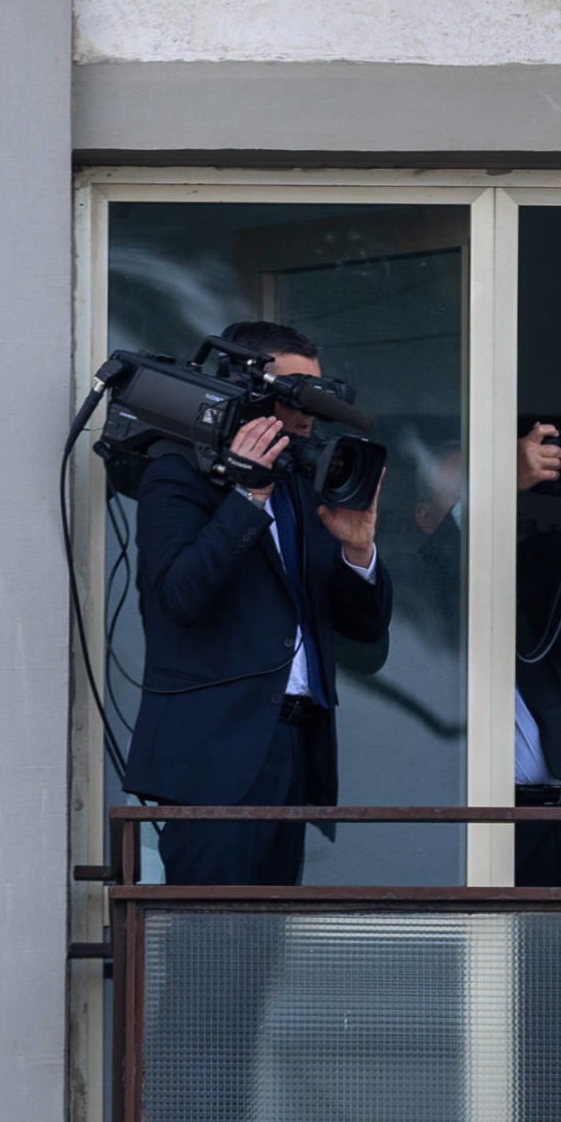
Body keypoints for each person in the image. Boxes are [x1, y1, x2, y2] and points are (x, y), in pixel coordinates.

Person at [120, 319, 394, 886]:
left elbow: (366, 630)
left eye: (318, 395)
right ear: (246, 389)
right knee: (209, 929)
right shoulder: (177, 474)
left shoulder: (306, 488)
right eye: (295, 393)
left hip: (293, 743)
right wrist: (247, 494)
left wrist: (358, 551)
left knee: (267, 929)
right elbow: (179, 597)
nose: (308, 412)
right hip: (212, 754)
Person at [399, 423, 561, 886]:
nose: (486, 497)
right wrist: (499, 482)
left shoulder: (542, 563)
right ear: (425, 516)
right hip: (477, 826)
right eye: (464, 492)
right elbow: (435, 571)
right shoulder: (410, 581)